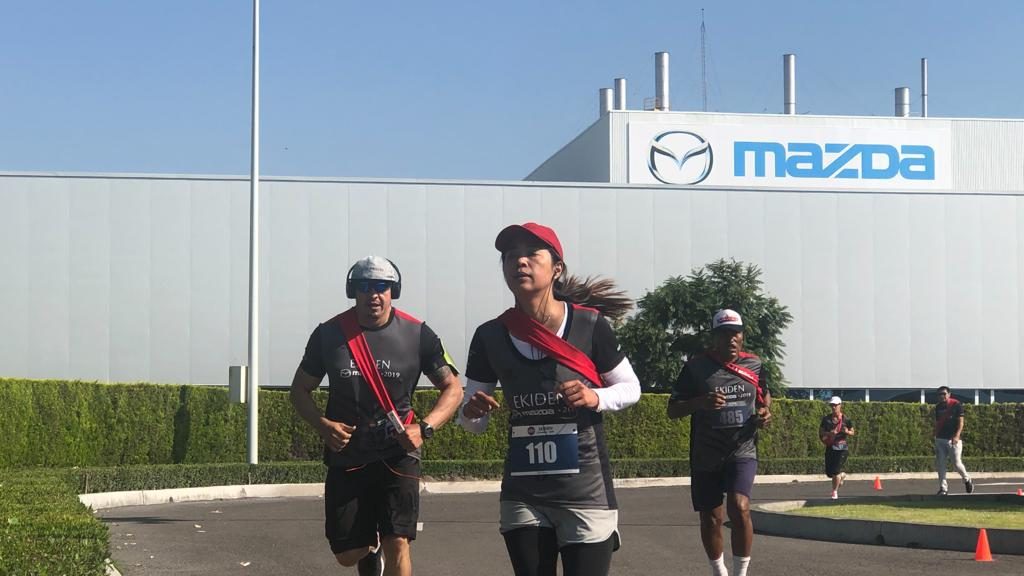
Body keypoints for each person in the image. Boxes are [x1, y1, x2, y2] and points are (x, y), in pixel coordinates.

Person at [459, 222, 641, 576]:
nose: (520, 262)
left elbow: (631, 388)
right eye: (511, 256)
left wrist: (594, 396)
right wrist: (473, 411)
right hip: (524, 493)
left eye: (531, 254)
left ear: (557, 268)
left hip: (585, 491)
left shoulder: (590, 325)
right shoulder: (489, 335)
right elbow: (472, 422)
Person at [289, 255, 464, 576]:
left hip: (398, 453)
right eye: (365, 286)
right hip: (348, 454)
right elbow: (299, 389)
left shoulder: (419, 334)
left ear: (393, 291)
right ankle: (370, 551)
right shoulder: (328, 335)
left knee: (399, 540)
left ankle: (385, 545)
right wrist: (323, 425)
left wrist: (424, 428)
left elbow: (453, 388)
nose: (374, 294)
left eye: (382, 286)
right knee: (346, 553)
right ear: (353, 291)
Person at [667, 309, 772, 576]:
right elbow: (673, 409)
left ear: (742, 336)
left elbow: (764, 395)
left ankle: (741, 573)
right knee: (712, 517)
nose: (731, 339)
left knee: (740, 506)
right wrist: (700, 402)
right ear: (714, 337)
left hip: (742, 449)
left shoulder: (755, 365)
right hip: (706, 453)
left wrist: (764, 412)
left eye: (736, 333)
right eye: (724, 333)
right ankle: (718, 571)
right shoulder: (695, 368)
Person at [933, 386, 974, 496]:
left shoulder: (956, 405)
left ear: (949, 394)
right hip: (940, 438)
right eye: (939, 394)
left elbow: (961, 422)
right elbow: (938, 422)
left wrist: (957, 435)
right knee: (940, 464)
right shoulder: (938, 407)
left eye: (944, 394)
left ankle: (966, 479)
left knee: (956, 463)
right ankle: (943, 488)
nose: (942, 396)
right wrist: (935, 434)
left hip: (953, 439)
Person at [819, 396, 855, 499]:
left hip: (842, 448)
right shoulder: (826, 419)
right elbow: (821, 432)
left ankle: (834, 492)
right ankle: (841, 475)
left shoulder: (846, 419)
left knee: (835, 471)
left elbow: (852, 432)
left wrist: (847, 431)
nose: (833, 407)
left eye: (835, 405)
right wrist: (830, 433)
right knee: (829, 473)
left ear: (840, 405)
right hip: (830, 447)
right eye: (832, 405)